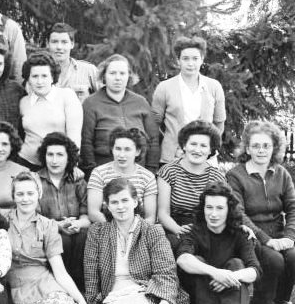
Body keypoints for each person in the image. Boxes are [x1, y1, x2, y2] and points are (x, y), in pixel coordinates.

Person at [84, 178, 214, 304]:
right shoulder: (97, 232)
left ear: (135, 201)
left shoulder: (152, 231)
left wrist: (165, 300)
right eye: (114, 202)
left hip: (147, 291)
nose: (121, 206)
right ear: (107, 206)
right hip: (114, 293)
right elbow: (91, 273)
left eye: (125, 200)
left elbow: (166, 271)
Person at [176, 183, 261, 304]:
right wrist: (215, 273)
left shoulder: (240, 233)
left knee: (237, 264)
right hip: (201, 298)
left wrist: (230, 276)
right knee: (197, 261)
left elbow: (255, 270)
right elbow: (182, 259)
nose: (213, 214)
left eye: (220, 208)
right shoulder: (194, 231)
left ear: (229, 210)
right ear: (203, 209)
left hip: (231, 290)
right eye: (209, 207)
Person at [226, 120, 295, 304]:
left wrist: (289, 236)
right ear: (247, 148)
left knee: (293, 256)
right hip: (250, 233)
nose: (261, 150)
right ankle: (264, 299)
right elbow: (238, 213)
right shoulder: (235, 175)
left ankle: (282, 298)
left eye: (266, 146)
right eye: (255, 145)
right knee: (274, 260)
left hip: (279, 232)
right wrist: (266, 239)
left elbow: (292, 207)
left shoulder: (281, 173)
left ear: (274, 148)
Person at [6, 172, 89, 304]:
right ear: (13, 196)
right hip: (18, 285)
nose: (25, 199)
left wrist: (79, 298)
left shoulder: (48, 225)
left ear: (39, 194)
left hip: (45, 282)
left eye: (30, 193)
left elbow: (60, 271)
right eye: (20, 194)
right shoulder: (2, 221)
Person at [151, 35, 226, 165]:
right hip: (173, 158)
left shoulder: (214, 87)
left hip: (206, 159)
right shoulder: (164, 88)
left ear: (202, 60)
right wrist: (172, 145)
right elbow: (154, 124)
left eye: (195, 58)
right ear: (178, 60)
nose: (190, 63)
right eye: (185, 58)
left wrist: (207, 148)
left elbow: (219, 123)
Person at [80, 54, 159, 173]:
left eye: (122, 73)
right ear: (104, 76)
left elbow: (153, 140)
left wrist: (151, 170)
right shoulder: (90, 104)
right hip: (104, 171)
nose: (118, 78)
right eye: (112, 73)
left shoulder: (141, 102)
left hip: (138, 172)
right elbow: (86, 142)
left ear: (129, 77)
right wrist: (92, 172)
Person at [157, 120, 226, 251]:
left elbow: (224, 212)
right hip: (173, 228)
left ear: (210, 150)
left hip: (204, 229)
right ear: (184, 146)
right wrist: (178, 229)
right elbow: (162, 213)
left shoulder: (216, 177)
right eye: (193, 144)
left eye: (203, 146)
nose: (197, 150)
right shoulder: (168, 171)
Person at [35, 132, 89, 290]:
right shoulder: (36, 180)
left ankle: (82, 289)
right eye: (50, 154)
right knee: (61, 240)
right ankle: (61, 289)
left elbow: (87, 214)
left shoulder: (78, 180)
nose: (54, 160)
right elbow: (34, 217)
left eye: (60, 155)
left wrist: (78, 223)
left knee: (83, 237)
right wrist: (57, 225)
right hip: (48, 229)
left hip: (77, 228)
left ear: (68, 157)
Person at [18, 50, 82, 170]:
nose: (39, 81)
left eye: (44, 76)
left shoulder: (67, 96)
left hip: (58, 164)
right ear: (28, 79)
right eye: (35, 76)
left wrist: (72, 165)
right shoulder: (24, 102)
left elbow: (74, 135)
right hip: (26, 164)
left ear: (53, 77)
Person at [86, 127, 157, 224]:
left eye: (127, 149)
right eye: (118, 149)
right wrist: (118, 230)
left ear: (137, 151)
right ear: (112, 149)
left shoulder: (147, 177)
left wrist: (132, 232)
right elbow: (93, 213)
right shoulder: (99, 173)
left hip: (138, 230)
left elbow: (150, 217)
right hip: (106, 227)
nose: (121, 155)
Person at [45, 23, 98, 102]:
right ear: (47, 44)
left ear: (72, 44)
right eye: (54, 42)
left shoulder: (89, 71)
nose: (59, 47)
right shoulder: (39, 74)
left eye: (64, 42)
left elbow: (105, 99)